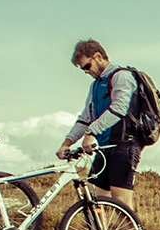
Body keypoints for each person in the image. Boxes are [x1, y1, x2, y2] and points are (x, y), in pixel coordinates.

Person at [56, 39, 140, 215]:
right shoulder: (95, 85)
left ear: (98, 56)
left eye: (87, 66)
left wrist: (91, 132)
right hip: (103, 147)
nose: (86, 72)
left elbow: (119, 108)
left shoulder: (121, 76)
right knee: (95, 203)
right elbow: (86, 117)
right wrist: (67, 142)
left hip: (124, 145)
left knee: (121, 204)